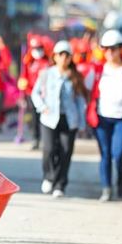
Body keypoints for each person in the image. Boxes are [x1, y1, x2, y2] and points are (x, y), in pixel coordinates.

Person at [86, 30, 122, 202]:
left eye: (113, 48)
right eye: (106, 49)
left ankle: (121, 180)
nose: (109, 52)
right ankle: (106, 188)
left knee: (118, 153)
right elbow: (87, 90)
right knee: (105, 154)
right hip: (102, 118)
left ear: (120, 49)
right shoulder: (97, 70)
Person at [30, 40, 88, 198]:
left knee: (65, 152)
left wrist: (82, 124)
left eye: (67, 55)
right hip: (49, 118)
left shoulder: (75, 76)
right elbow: (35, 93)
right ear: (54, 56)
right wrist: (42, 107)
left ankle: (60, 184)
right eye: (60, 54)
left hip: (70, 120)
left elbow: (81, 101)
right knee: (49, 149)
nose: (63, 58)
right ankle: (49, 177)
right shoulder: (46, 74)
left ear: (70, 58)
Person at [18, 36, 51, 150]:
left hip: (45, 95)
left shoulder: (48, 62)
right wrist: (22, 83)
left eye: (39, 47)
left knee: (45, 118)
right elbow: (24, 76)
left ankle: (46, 139)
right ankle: (35, 139)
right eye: (35, 48)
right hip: (31, 94)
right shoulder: (28, 62)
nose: (37, 50)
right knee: (34, 118)